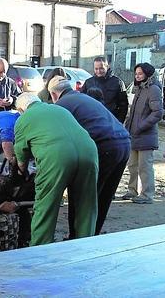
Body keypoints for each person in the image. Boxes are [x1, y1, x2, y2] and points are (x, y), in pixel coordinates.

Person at [48, 76, 130, 235]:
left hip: (104, 145)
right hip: (124, 143)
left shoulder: (61, 105)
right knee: (104, 197)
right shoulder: (83, 97)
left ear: (53, 94)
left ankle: (77, 239)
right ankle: (93, 236)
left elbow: (60, 139)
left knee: (82, 195)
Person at [14, 92, 98, 245]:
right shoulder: (60, 109)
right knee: (86, 203)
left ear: (21, 109)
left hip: (57, 157)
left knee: (46, 204)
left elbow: (20, 158)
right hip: (89, 152)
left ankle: (40, 248)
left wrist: (22, 173)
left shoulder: (23, 119)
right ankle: (85, 245)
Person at [123, 62, 163, 204]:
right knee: (132, 165)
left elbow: (158, 113)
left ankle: (147, 194)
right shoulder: (139, 88)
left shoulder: (153, 89)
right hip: (134, 134)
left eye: (140, 73)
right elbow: (133, 113)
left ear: (147, 74)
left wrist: (141, 126)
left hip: (146, 135)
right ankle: (132, 190)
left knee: (144, 167)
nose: (137, 76)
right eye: (136, 74)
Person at [80, 56, 129, 123]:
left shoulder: (117, 82)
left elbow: (123, 105)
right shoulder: (88, 82)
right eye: (96, 69)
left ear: (107, 67)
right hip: (92, 120)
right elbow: (82, 101)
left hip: (110, 121)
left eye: (101, 68)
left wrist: (119, 122)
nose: (98, 71)